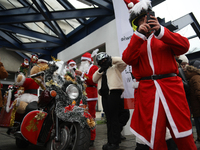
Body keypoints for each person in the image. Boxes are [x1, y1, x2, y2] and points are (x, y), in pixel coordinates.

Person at [122, 0, 197, 149]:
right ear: (135, 24)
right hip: (148, 93)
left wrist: (161, 31)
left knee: (183, 135)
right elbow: (127, 59)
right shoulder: (136, 41)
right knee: (154, 137)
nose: (145, 22)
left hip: (172, 89)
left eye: (147, 18)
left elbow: (184, 46)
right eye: (140, 20)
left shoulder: (164, 35)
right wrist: (139, 36)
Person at [92, 52, 127, 150]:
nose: (104, 62)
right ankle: (110, 141)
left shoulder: (115, 67)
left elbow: (123, 62)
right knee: (109, 119)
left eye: (105, 60)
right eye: (101, 61)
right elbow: (94, 79)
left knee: (114, 118)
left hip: (114, 93)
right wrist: (101, 70)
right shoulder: (101, 71)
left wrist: (111, 60)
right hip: (105, 95)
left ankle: (115, 143)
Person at [75, 52, 99, 146]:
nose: (82, 62)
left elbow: (93, 80)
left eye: (84, 60)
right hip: (82, 95)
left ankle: (92, 138)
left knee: (91, 116)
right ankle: (84, 136)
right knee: (83, 117)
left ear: (88, 61)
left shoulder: (94, 68)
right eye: (82, 61)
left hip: (91, 95)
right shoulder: (83, 69)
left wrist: (83, 74)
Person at [185, 60, 200, 142]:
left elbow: (198, 92)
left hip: (198, 108)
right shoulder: (196, 77)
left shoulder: (194, 78)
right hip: (196, 109)